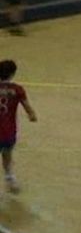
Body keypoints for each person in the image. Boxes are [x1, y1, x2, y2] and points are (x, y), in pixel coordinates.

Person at [0, 60, 37, 193]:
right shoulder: (17, 90)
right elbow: (27, 107)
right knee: (7, 154)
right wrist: (32, 115)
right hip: (8, 131)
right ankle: (10, 178)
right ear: (12, 74)